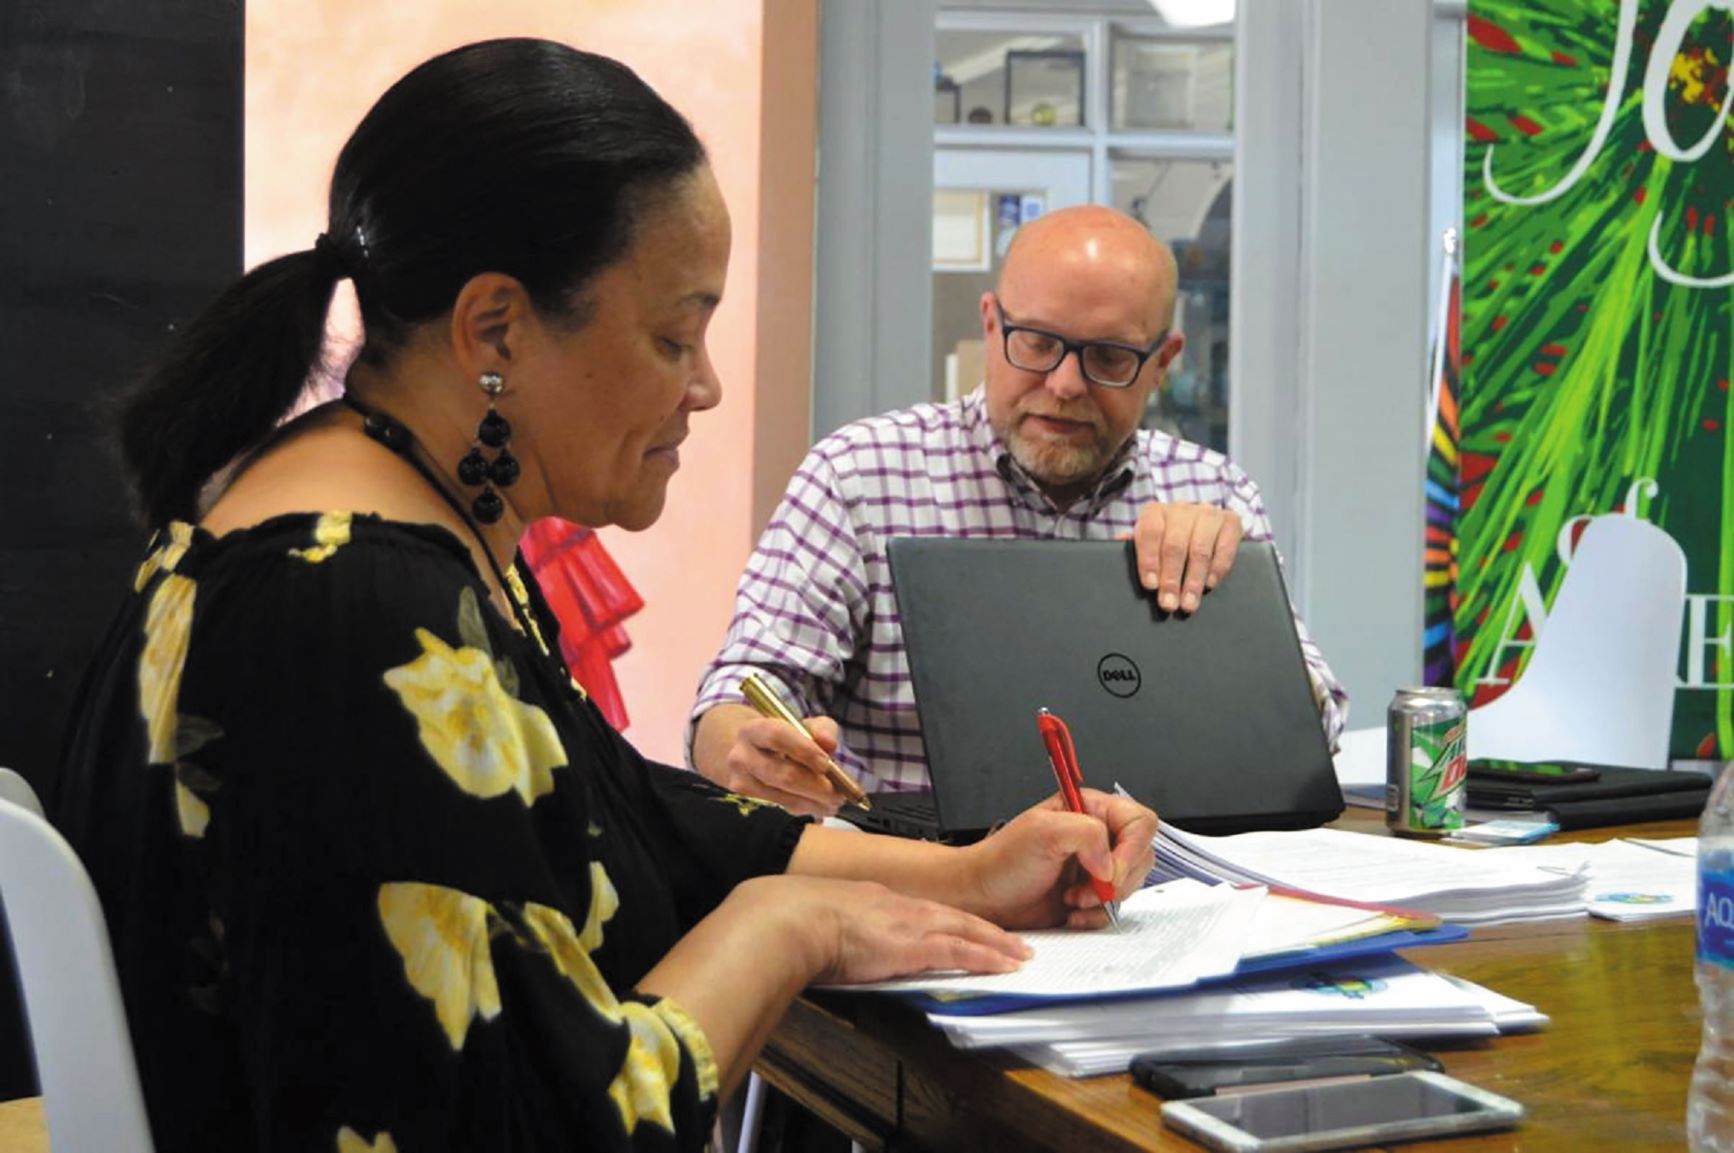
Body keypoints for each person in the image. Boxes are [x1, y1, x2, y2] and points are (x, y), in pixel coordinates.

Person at [50, 40, 1157, 1153]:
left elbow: (626, 812)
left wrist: (967, 876)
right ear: (497, 329)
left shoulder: (397, 539)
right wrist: (791, 926)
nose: (708, 382)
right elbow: (571, 1128)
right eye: (674, 334)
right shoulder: (352, 615)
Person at [690, 205, 1348, 816]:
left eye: (1109, 357)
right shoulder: (859, 475)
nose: (1064, 384)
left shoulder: (1212, 490)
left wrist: (1234, 616)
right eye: (1035, 342)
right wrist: (747, 750)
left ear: (1163, 364)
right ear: (991, 323)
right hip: (917, 885)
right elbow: (739, 693)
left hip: (1165, 884)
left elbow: (1315, 732)